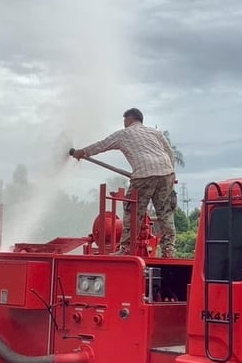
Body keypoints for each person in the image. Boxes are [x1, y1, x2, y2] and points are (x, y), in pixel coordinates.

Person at [73, 107, 177, 257]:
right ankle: (169, 251)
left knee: (133, 212)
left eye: (124, 120)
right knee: (165, 213)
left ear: (129, 119)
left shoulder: (124, 134)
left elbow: (102, 145)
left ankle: (126, 250)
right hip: (167, 172)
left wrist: (82, 152)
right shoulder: (155, 133)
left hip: (143, 174)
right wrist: (171, 176)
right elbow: (170, 154)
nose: (124, 123)